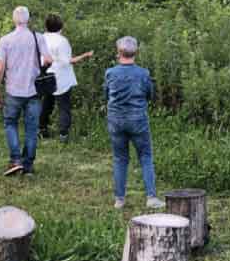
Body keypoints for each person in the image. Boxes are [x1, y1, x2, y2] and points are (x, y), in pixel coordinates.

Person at [104, 36, 163, 210]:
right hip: (138, 119)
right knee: (145, 157)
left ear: (118, 52)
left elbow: (106, 95)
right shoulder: (143, 73)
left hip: (116, 119)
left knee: (120, 158)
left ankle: (119, 199)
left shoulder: (110, 73)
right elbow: (149, 94)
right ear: (136, 52)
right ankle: (151, 197)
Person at [0, 6, 53, 176]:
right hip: (33, 90)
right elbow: (48, 60)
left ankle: (15, 160)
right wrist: (39, 67)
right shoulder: (38, 37)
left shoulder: (6, 40)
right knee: (32, 128)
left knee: (10, 123)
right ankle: (28, 166)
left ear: (14, 19)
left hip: (13, 90)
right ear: (28, 20)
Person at [39, 14, 93, 142]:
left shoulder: (41, 38)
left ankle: (41, 130)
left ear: (46, 26)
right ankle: (63, 134)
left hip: (45, 75)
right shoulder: (62, 41)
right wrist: (86, 55)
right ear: (61, 26)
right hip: (61, 77)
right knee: (63, 106)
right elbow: (69, 61)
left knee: (46, 104)